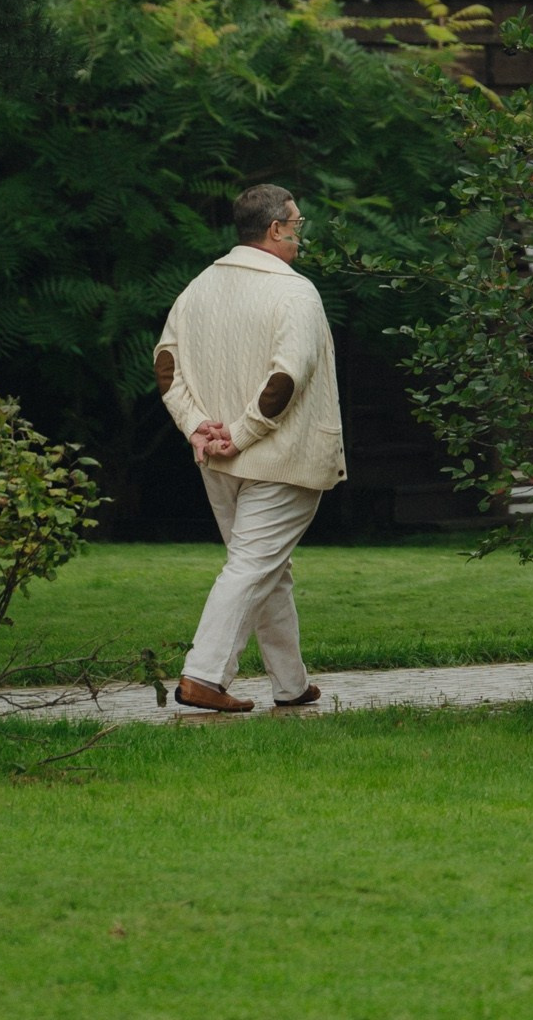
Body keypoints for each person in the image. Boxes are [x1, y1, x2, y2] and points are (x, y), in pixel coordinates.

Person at [154, 180, 346, 715]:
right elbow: (286, 378)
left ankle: (289, 682)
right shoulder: (294, 291)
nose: (300, 235)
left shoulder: (197, 288)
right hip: (279, 459)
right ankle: (203, 676)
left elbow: (165, 365)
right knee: (251, 567)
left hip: (217, 460)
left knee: (266, 568)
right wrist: (237, 434)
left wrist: (199, 429)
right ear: (276, 229)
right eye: (297, 225)